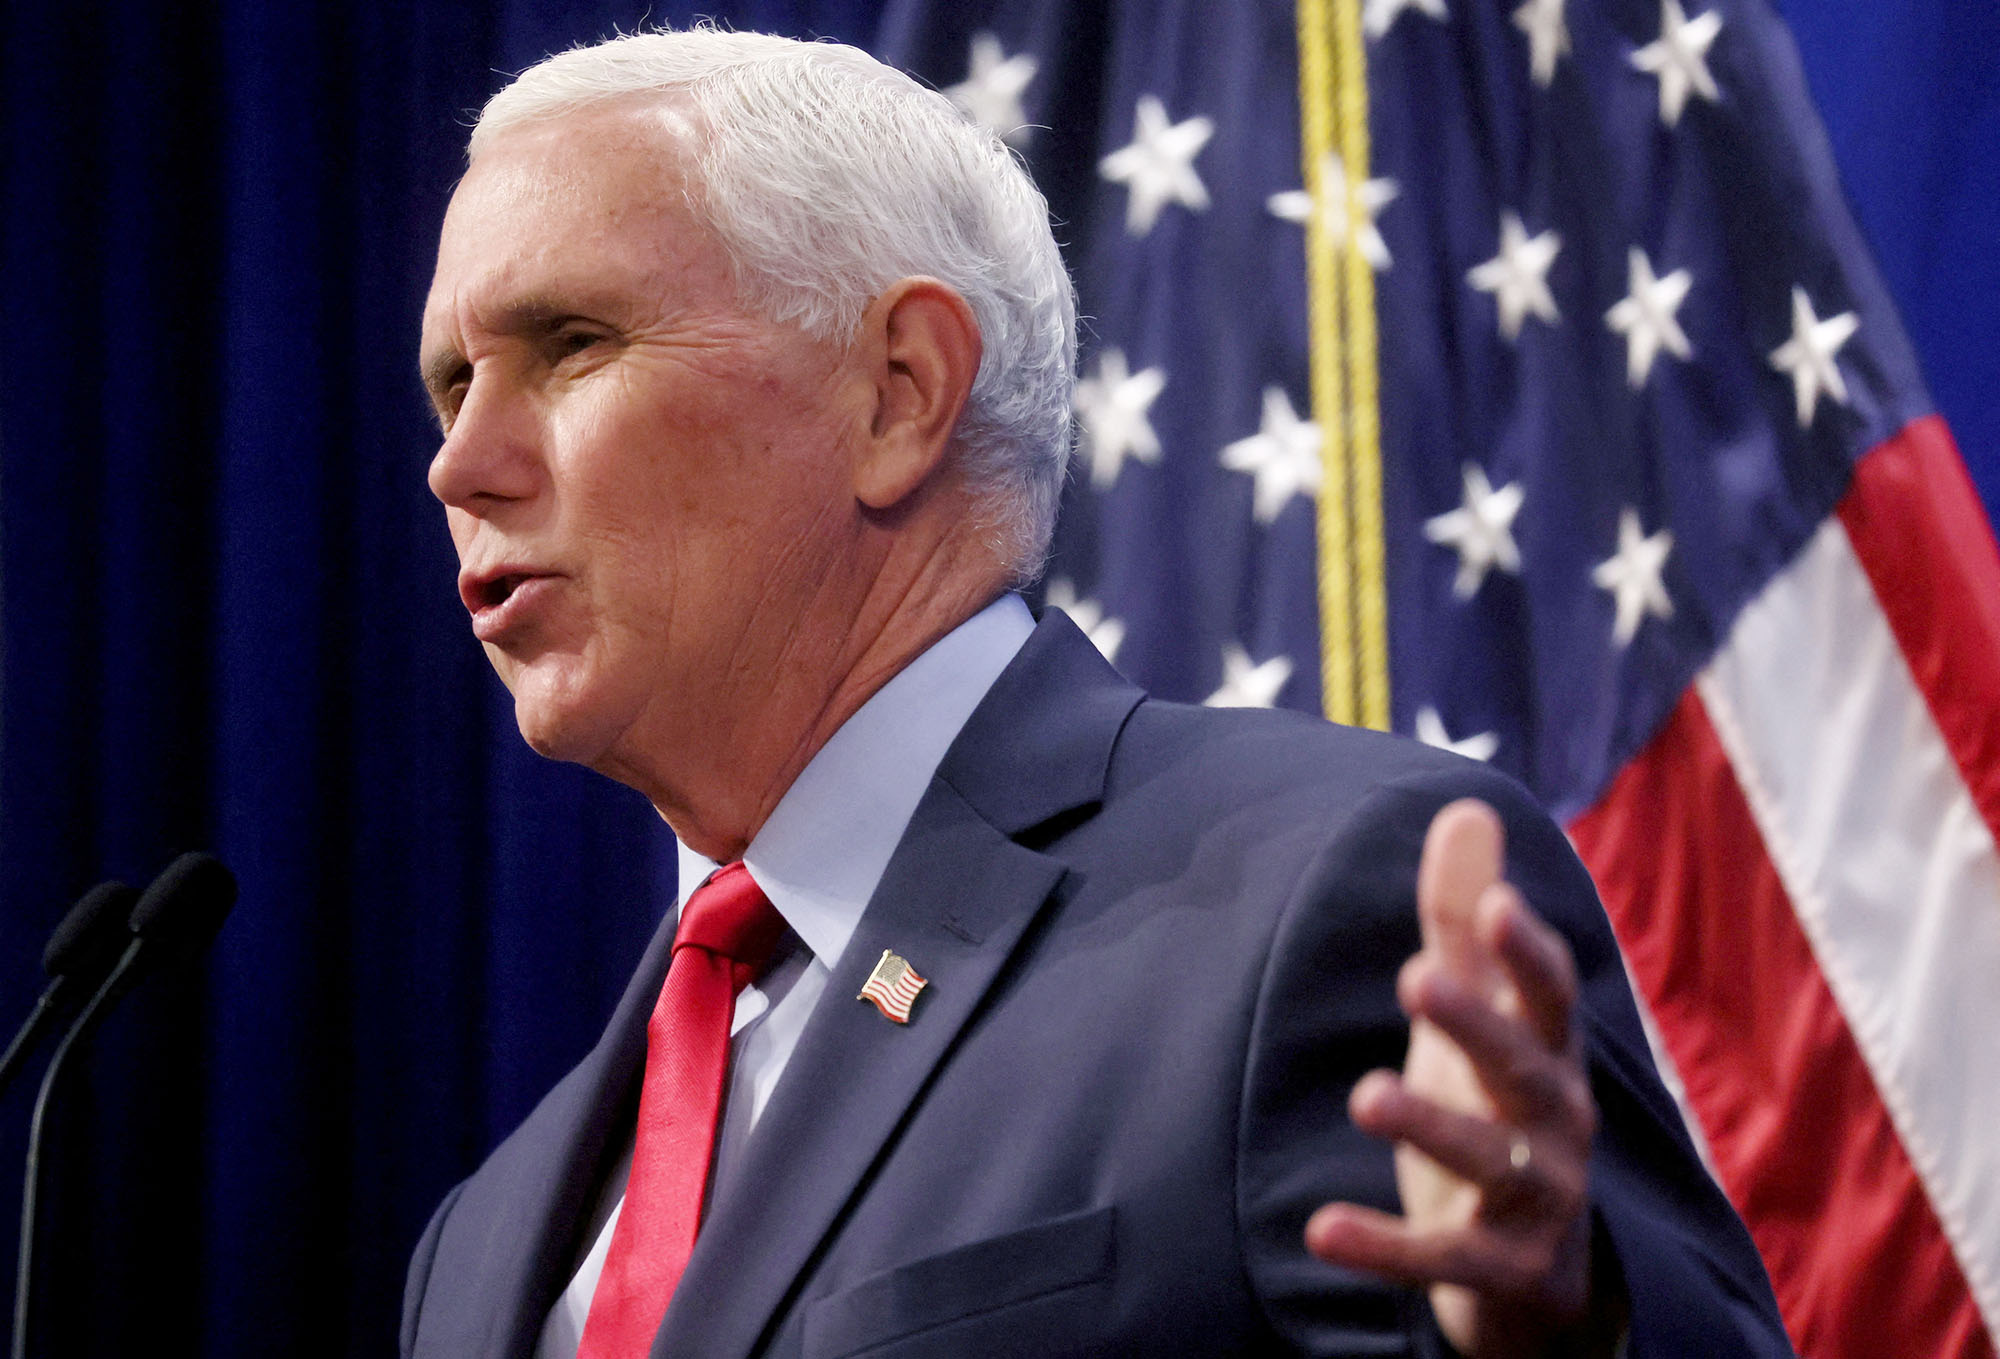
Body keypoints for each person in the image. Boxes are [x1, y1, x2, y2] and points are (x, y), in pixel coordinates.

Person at [402, 27, 1792, 1359]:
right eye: (453, 384)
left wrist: (1559, 1339)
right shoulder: (484, 1237)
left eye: (572, 342)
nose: (459, 466)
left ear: (899, 391)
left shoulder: (1317, 910)